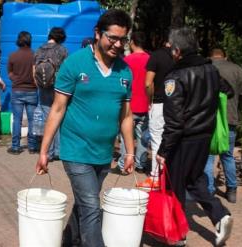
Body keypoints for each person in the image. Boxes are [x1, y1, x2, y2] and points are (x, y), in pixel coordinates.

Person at [35, 9, 134, 247]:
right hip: (76, 149)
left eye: (123, 39)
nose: (117, 44)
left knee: (84, 204)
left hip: (103, 153)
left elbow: (126, 115)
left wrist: (130, 151)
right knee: (91, 207)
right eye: (112, 38)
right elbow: (57, 109)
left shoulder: (125, 71)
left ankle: (67, 242)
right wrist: (44, 150)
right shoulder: (75, 63)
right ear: (98, 33)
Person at [156, 27, 233, 247]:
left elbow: (174, 121)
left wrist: (163, 150)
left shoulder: (175, 77)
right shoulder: (210, 70)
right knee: (195, 179)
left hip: (183, 139)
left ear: (177, 51)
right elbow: (227, 91)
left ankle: (177, 235)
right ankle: (220, 215)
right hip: (204, 136)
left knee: (175, 186)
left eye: (171, 49)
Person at [204, 48, 242, 203]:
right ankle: (231, 190)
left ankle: (209, 190)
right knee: (227, 155)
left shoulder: (204, 68)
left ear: (210, 56)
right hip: (229, 118)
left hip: (207, 118)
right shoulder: (236, 69)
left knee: (208, 156)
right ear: (226, 56)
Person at [137, 36, 175, 188]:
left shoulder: (157, 56)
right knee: (172, 139)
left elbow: (148, 83)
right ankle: (169, 176)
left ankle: (155, 177)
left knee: (157, 140)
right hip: (177, 105)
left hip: (159, 103)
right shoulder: (180, 57)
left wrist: (150, 100)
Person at [117, 31, 150, 173]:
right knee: (142, 136)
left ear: (132, 42)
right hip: (145, 105)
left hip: (128, 105)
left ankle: (123, 164)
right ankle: (141, 163)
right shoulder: (151, 60)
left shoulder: (126, 60)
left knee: (125, 136)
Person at [34, 27, 68, 160]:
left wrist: (40, 85)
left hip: (42, 88)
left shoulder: (38, 50)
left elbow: (34, 72)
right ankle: (58, 151)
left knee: (48, 119)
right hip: (58, 88)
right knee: (58, 118)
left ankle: (49, 152)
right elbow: (66, 71)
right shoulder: (62, 50)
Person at [7, 31, 38, 154]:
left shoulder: (13, 56)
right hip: (32, 91)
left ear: (19, 40)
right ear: (29, 40)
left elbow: (9, 73)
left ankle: (15, 147)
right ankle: (32, 146)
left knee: (17, 120)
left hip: (17, 90)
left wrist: (15, 79)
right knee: (32, 120)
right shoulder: (35, 55)